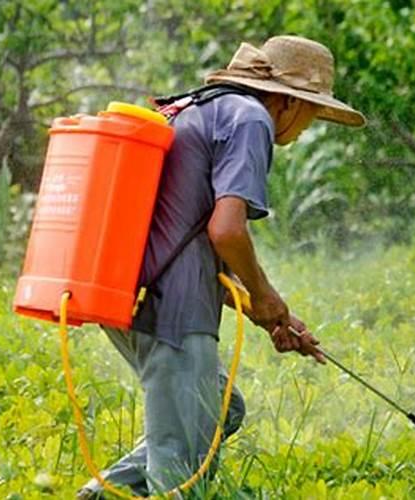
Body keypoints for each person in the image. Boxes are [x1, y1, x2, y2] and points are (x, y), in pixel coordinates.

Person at [78, 35, 365, 499]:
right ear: (288, 102)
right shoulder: (252, 119)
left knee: (221, 409)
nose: (308, 127)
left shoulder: (202, 108)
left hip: (125, 290)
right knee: (182, 474)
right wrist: (267, 295)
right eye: (313, 113)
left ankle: (101, 494)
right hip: (172, 310)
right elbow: (226, 231)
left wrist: (269, 312)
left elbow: (184, 235)